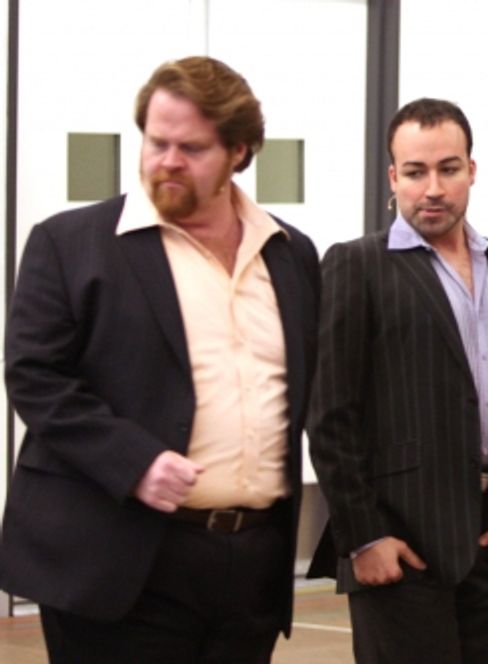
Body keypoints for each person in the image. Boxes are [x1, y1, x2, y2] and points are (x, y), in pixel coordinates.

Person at [0, 56, 320, 662]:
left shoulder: (290, 253)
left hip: (251, 561)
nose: (167, 161)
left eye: (191, 148)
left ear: (241, 151)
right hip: (119, 561)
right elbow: (36, 379)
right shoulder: (71, 245)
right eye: (156, 142)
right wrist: (134, 461)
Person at [307, 97, 488, 663]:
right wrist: (364, 537)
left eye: (448, 169)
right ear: (393, 176)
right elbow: (330, 418)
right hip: (400, 545)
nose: (433, 188)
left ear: (471, 171)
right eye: (417, 172)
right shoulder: (357, 265)